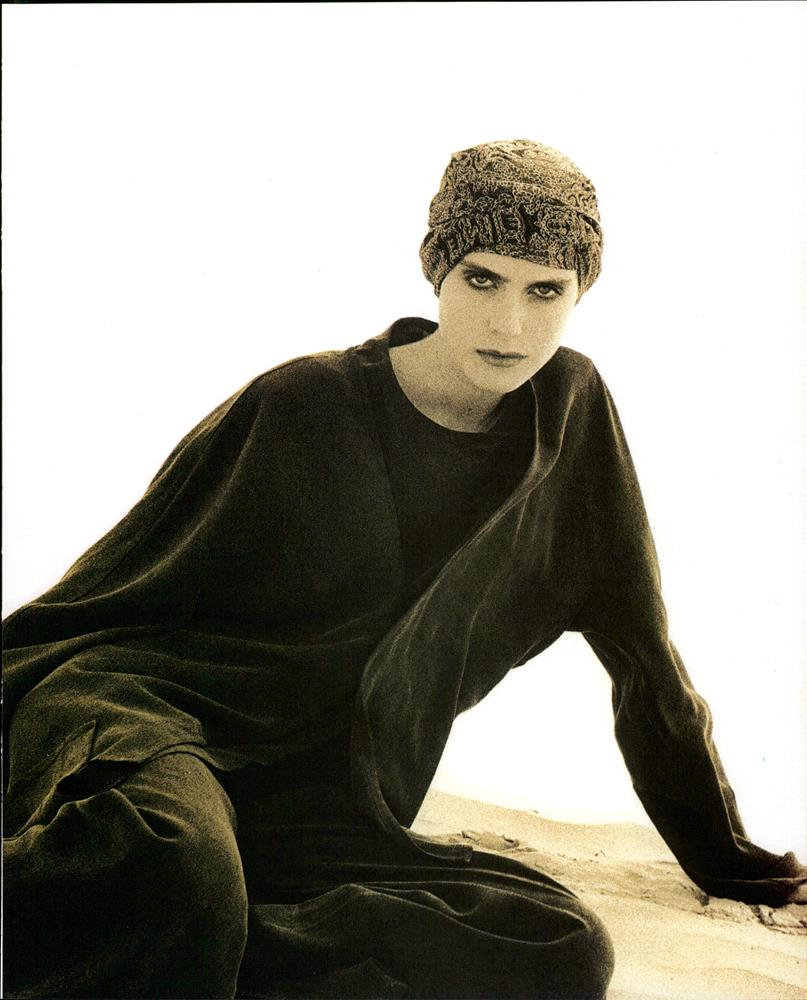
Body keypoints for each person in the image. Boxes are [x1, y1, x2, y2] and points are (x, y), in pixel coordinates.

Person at [3, 139, 805, 1000]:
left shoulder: (573, 425)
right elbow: (106, 595)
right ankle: (190, 913)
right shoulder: (301, 402)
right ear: (435, 272)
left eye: (545, 291)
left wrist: (731, 862)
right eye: (481, 279)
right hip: (157, 722)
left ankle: (206, 933)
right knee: (175, 861)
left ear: (580, 293)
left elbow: (642, 655)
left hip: (324, 797)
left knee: (561, 946)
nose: (509, 325)